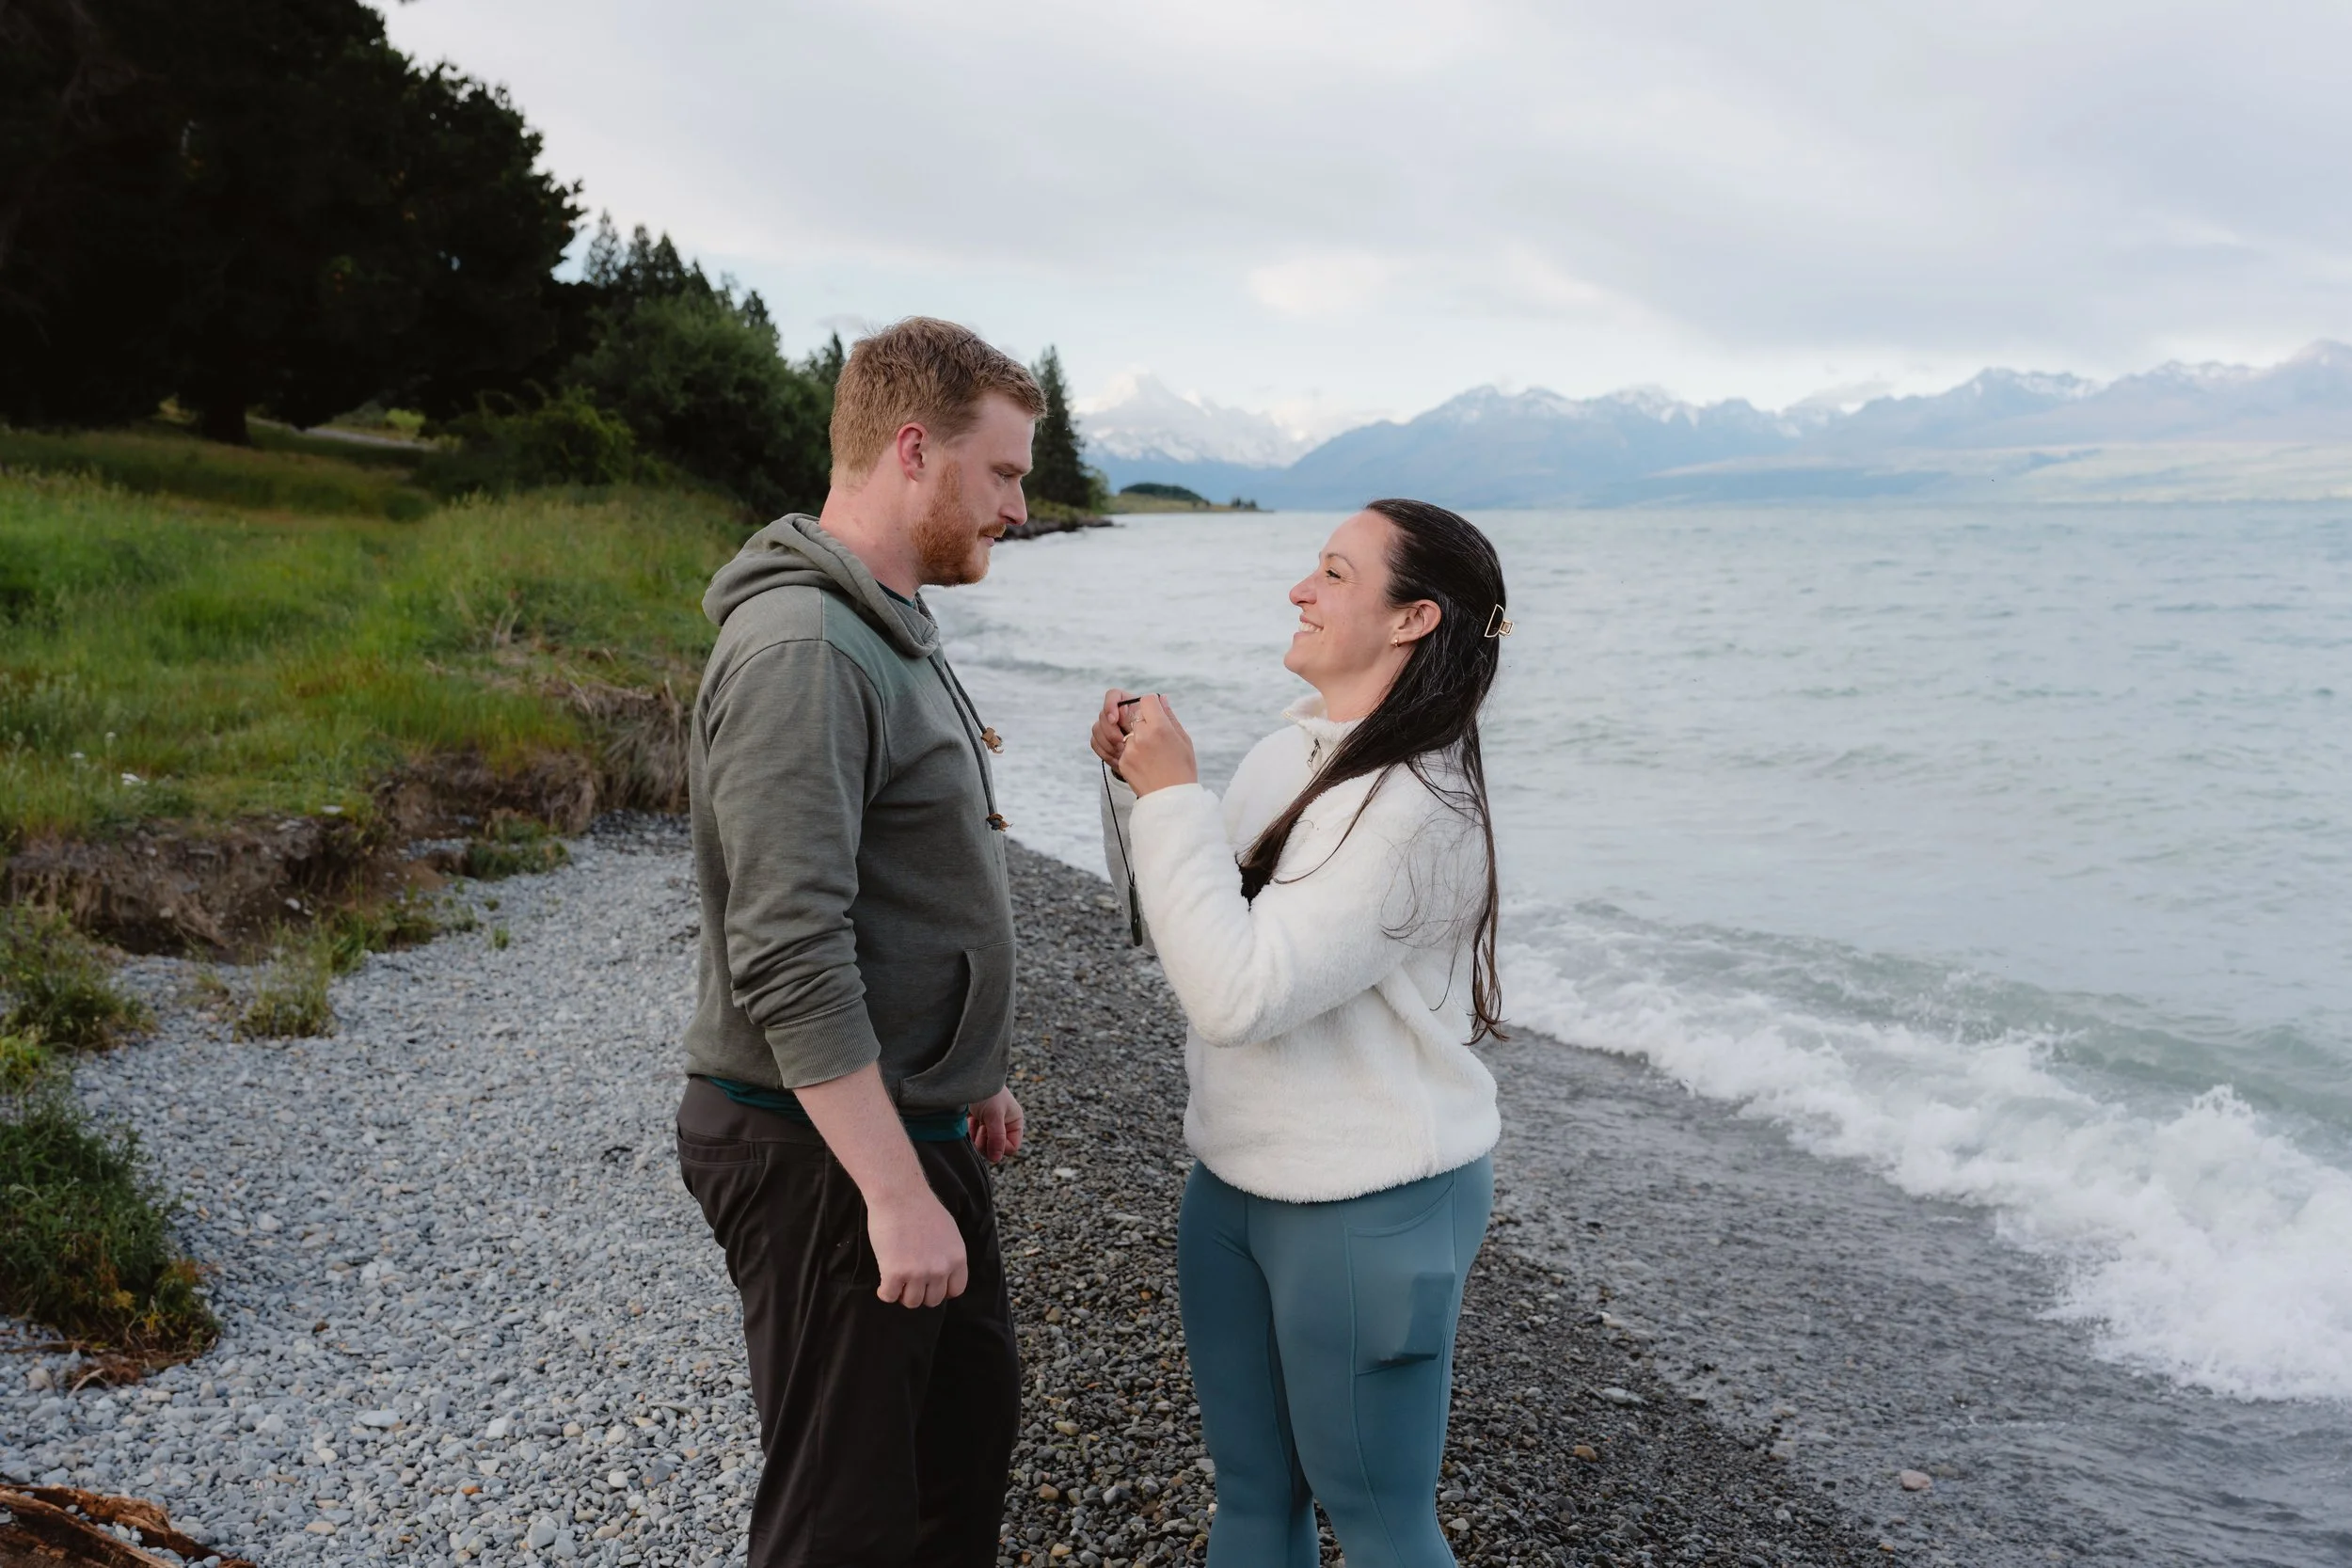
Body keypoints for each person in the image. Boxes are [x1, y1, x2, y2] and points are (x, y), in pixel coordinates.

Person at [675, 317, 1042, 1568]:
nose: (1020, 506)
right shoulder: (803, 648)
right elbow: (788, 946)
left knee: (953, 1473)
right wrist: (891, 1189)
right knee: (844, 1523)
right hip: (817, 1151)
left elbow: (902, 879)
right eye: (1000, 473)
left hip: (904, 1119)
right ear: (911, 450)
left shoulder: (885, 622)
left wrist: (963, 1065)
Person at [1091, 499, 1512, 1568]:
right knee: (1250, 1497)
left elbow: (1240, 994)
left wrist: (1177, 793)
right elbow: (1184, 932)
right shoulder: (1296, 750)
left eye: (1333, 572)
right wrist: (1138, 789)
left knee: (1379, 1524)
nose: (1299, 589)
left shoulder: (1420, 804)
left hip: (1369, 1201)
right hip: (1235, 1178)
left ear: (1412, 617)